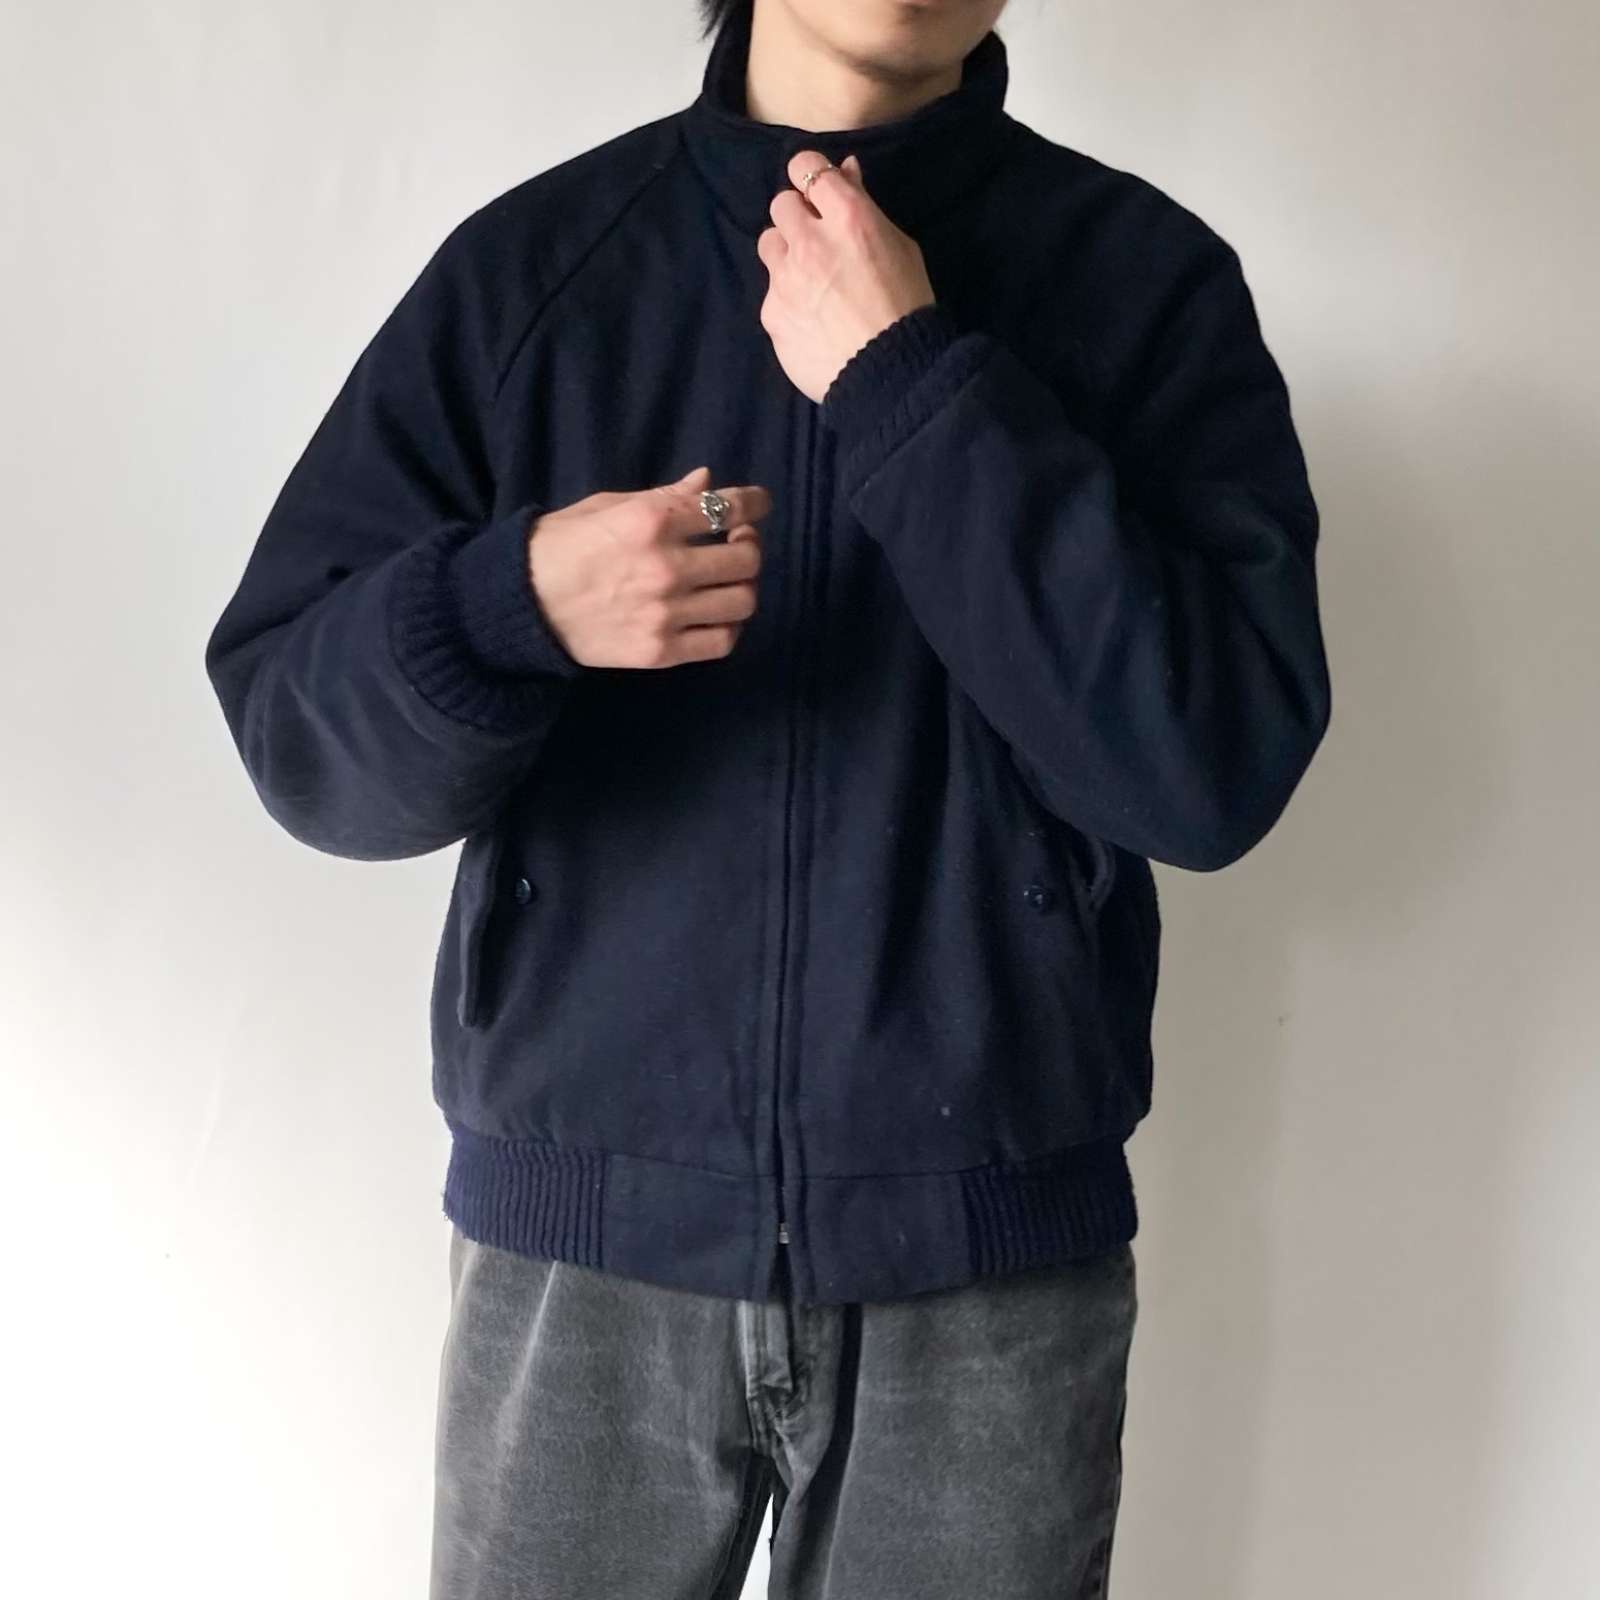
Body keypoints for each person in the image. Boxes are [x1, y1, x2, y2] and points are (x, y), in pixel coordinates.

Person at [203, 0, 1331, 1592]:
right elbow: (296, 736)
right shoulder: (538, 275)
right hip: (586, 1254)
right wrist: (507, 605)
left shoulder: (1143, 285)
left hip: (987, 1273)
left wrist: (908, 379)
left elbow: (1209, 771)